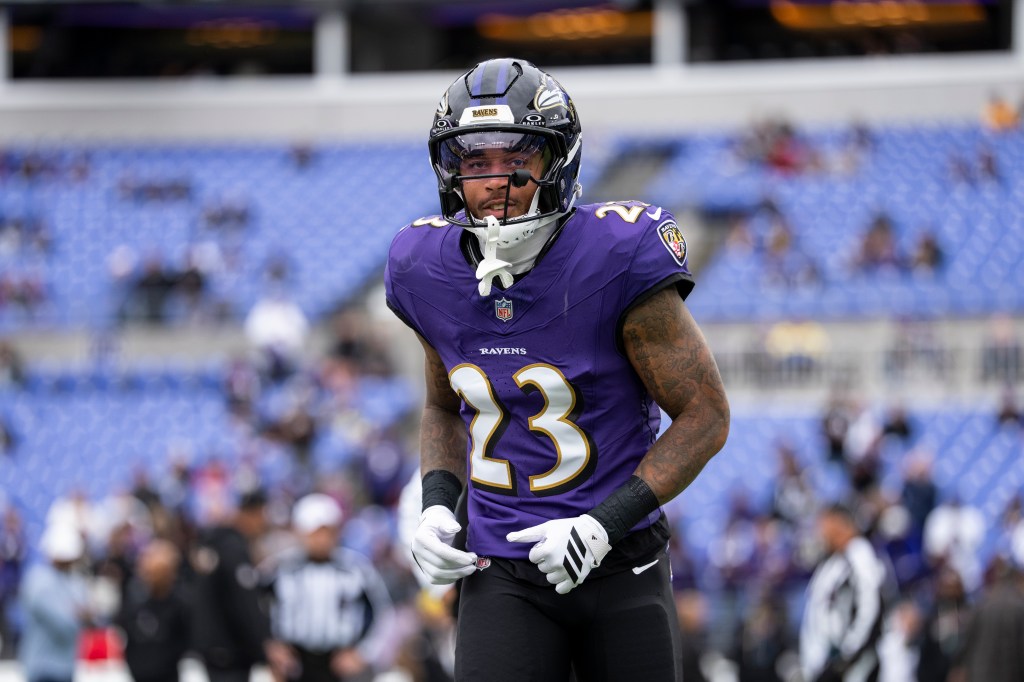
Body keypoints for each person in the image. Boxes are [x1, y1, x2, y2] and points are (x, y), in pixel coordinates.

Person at [384, 58, 730, 681]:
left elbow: (706, 415)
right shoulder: (423, 267)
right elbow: (442, 405)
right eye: (475, 162)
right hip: (500, 563)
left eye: (517, 158)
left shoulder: (617, 255)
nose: (495, 180)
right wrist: (437, 505)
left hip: (621, 560)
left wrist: (603, 525)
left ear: (557, 161)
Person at [262, 493, 394, 682]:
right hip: (293, 662)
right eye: (315, 531)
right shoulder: (280, 568)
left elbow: (384, 612)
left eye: (327, 531)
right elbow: (253, 609)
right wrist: (271, 646)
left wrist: (364, 653)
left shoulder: (356, 569)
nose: (321, 538)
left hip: (339, 664)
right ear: (301, 531)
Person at [190, 489, 275, 682]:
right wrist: (264, 644)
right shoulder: (234, 549)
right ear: (250, 514)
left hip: (213, 646)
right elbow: (245, 605)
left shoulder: (215, 544)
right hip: (230, 650)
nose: (263, 523)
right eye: (261, 515)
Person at [800, 504, 886, 682]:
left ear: (839, 523)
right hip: (824, 664)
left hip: (849, 668)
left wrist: (846, 658)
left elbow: (869, 609)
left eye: (824, 524)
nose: (820, 531)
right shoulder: (833, 562)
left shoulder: (860, 556)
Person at [18, 522, 91, 682]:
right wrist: (78, 615)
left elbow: (88, 614)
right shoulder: (38, 581)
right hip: (41, 667)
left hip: (66, 666)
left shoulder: (75, 581)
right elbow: (64, 623)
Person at [115, 539, 191, 682]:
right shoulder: (133, 596)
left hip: (168, 672)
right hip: (140, 671)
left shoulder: (180, 601)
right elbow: (123, 626)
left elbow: (186, 637)